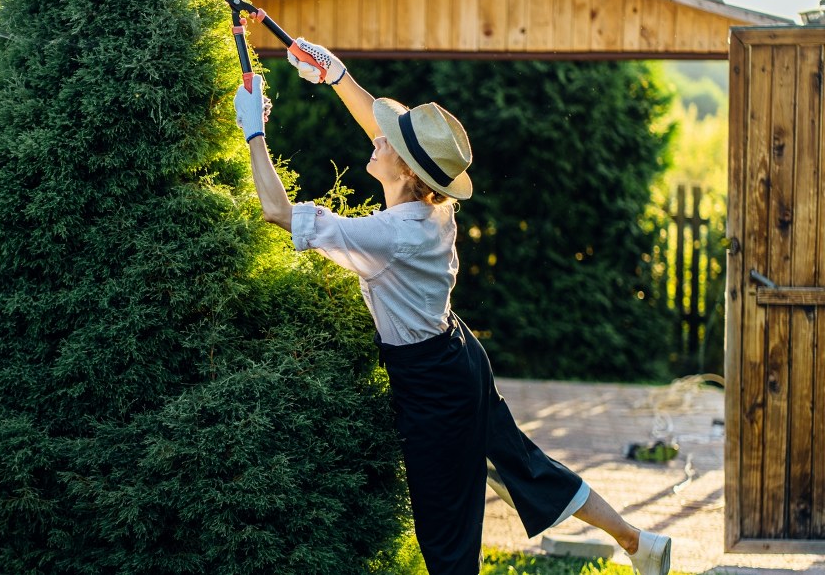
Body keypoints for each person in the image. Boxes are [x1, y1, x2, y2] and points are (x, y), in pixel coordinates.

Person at [230, 38, 672, 575]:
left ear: (409, 172)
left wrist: (253, 131)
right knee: (524, 468)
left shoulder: (393, 234)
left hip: (434, 386)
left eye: (386, 142)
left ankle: (635, 544)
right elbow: (380, 131)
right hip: (456, 356)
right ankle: (638, 544)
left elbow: (278, 211)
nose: (377, 138)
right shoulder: (429, 209)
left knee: (447, 540)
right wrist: (337, 74)